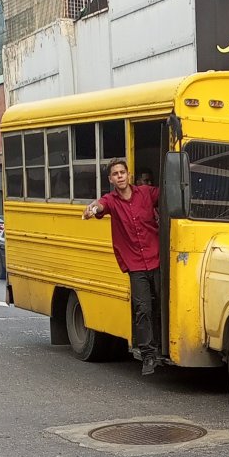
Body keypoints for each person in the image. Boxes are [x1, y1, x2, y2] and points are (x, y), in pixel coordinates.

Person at [82, 158, 161, 376]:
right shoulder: (112, 201)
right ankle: (148, 356)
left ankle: (164, 345)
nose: (120, 176)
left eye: (122, 172)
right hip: (135, 264)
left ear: (128, 175)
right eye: (115, 174)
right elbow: (100, 205)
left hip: (157, 259)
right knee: (143, 309)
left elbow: (168, 194)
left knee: (162, 305)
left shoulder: (145, 193)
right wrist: (92, 208)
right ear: (111, 179)